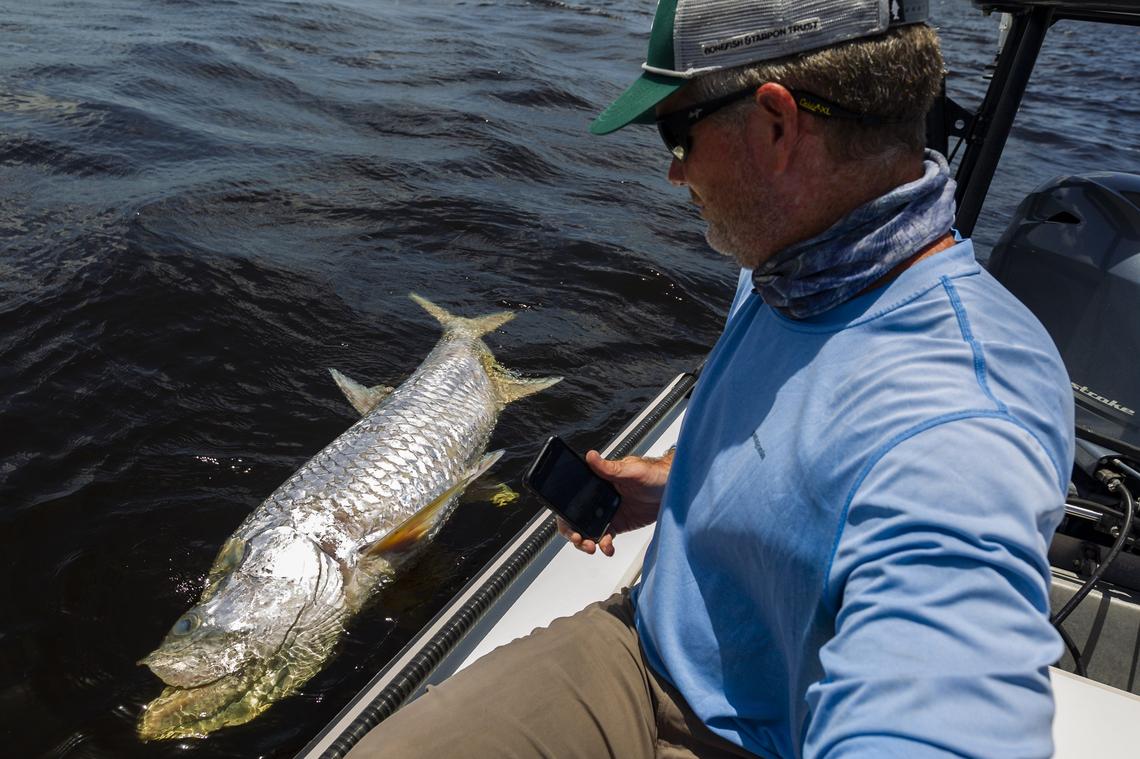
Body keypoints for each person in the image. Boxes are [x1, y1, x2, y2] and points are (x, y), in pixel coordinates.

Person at [347, 0, 1074, 756]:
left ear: (776, 126)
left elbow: (939, 709)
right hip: (645, 647)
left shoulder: (960, 420)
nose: (672, 172)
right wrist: (676, 483)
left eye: (678, 133)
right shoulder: (790, 264)